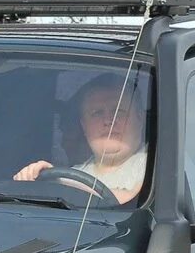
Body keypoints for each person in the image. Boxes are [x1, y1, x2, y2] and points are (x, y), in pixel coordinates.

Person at [13, 74, 147, 204]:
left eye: (119, 111)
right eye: (97, 113)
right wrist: (29, 179)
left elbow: (135, 201)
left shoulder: (156, 166)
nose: (108, 121)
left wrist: (61, 185)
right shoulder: (75, 173)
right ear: (84, 126)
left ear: (140, 118)